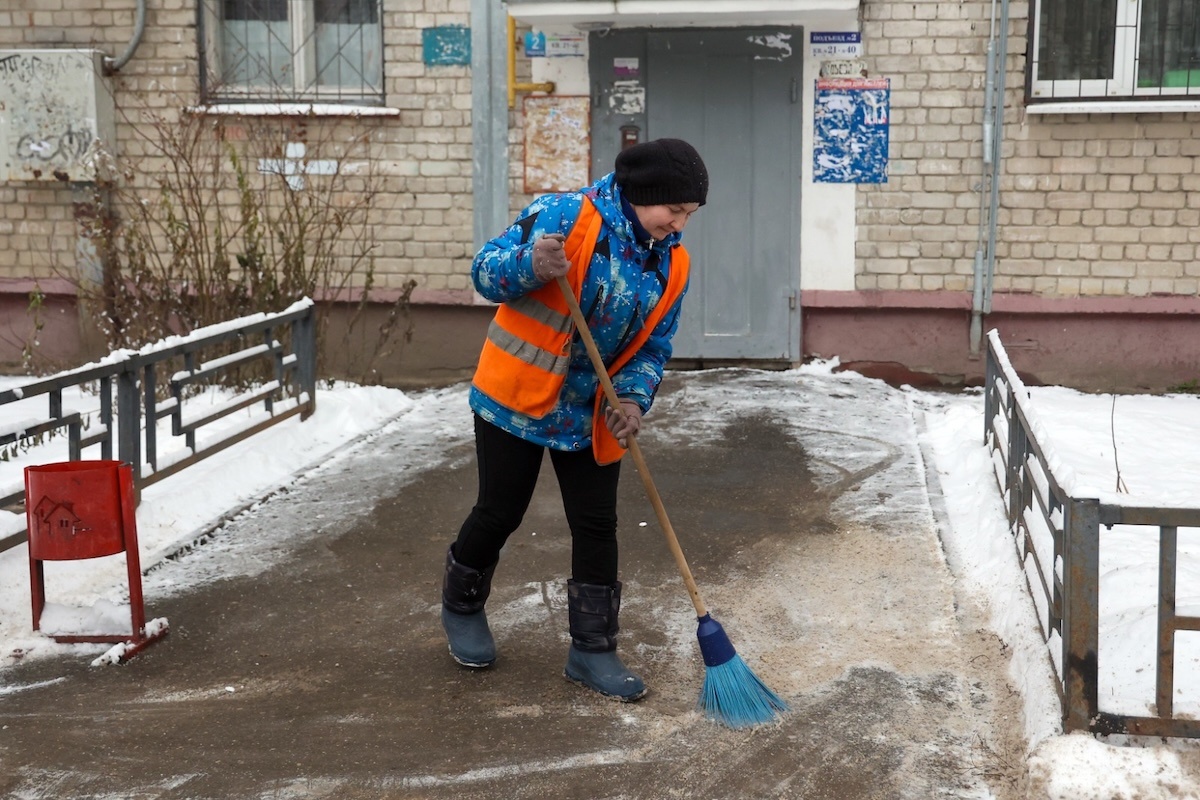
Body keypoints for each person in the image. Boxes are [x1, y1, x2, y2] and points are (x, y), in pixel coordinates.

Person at [439, 138, 708, 702]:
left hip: (593, 410)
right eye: (674, 210)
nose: (680, 224)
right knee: (500, 510)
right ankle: (461, 606)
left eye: (689, 214)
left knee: (596, 523)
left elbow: (653, 345)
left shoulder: (671, 261)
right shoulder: (566, 216)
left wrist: (632, 399)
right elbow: (484, 272)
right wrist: (530, 264)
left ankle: (592, 649)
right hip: (516, 396)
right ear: (643, 193)